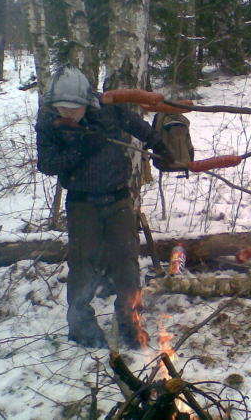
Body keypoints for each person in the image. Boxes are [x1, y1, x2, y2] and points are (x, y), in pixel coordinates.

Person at [35, 64, 174, 349]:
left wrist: (159, 144)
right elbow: (48, 165)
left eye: (74, 108)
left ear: (87, 100)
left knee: (126, 262)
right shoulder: (48, 121)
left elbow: (136, 124)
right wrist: (83, 147)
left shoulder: (107, 107)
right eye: (63, 108)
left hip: (118, 196)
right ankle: (82, 326)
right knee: (84, 265)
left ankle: (130, 321)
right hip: (82, 202)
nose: (69, 114)